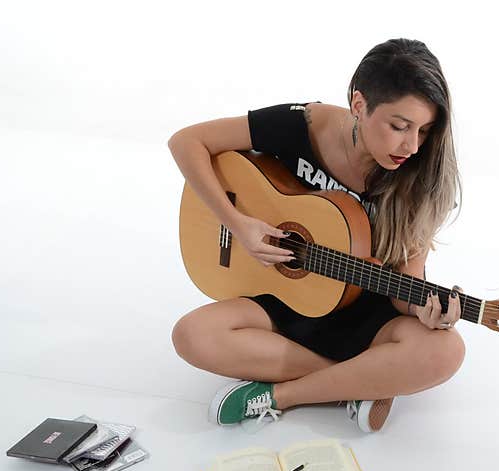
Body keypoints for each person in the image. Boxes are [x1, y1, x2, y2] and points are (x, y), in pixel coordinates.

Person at [168, 37, 464, 432]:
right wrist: (238, 222)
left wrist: (424, 311)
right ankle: (361, 383)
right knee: (191, 336)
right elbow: (187, 141)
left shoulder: (420, 179)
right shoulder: (302, 125)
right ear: (359, 105)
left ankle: (282, 395)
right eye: (399, 126)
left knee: (445, 350)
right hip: (284, 296)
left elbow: (404, 286)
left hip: (364, 309)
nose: (411, 146)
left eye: (424, 131)